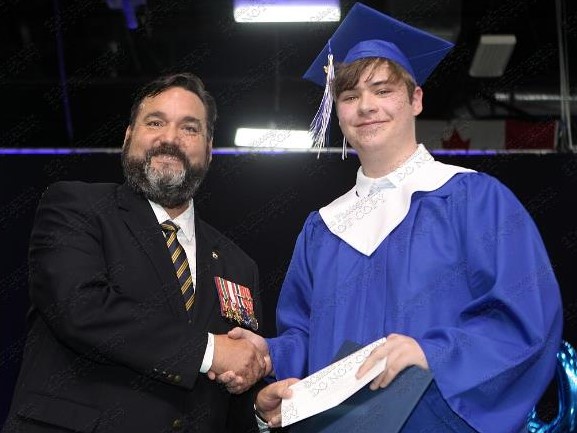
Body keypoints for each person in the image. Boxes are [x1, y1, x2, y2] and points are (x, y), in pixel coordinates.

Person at [222, 3, 564, 432]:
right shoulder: (323, 229)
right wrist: (268, 357)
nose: (365, 106)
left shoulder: (473, 200)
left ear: (415, 99)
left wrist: (431, 354)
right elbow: (306, 340)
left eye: (382, 91)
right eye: (349, 96)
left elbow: (526, 320)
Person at [2, 73, 268, 433]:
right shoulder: (76, 207)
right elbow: (80, 309)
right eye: (155, 122)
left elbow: (226, 385)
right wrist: (208, 351)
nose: (169, 139)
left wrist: (257, 410)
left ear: (208, 149)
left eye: (189, 129)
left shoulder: (240, 265)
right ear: (128, 137)